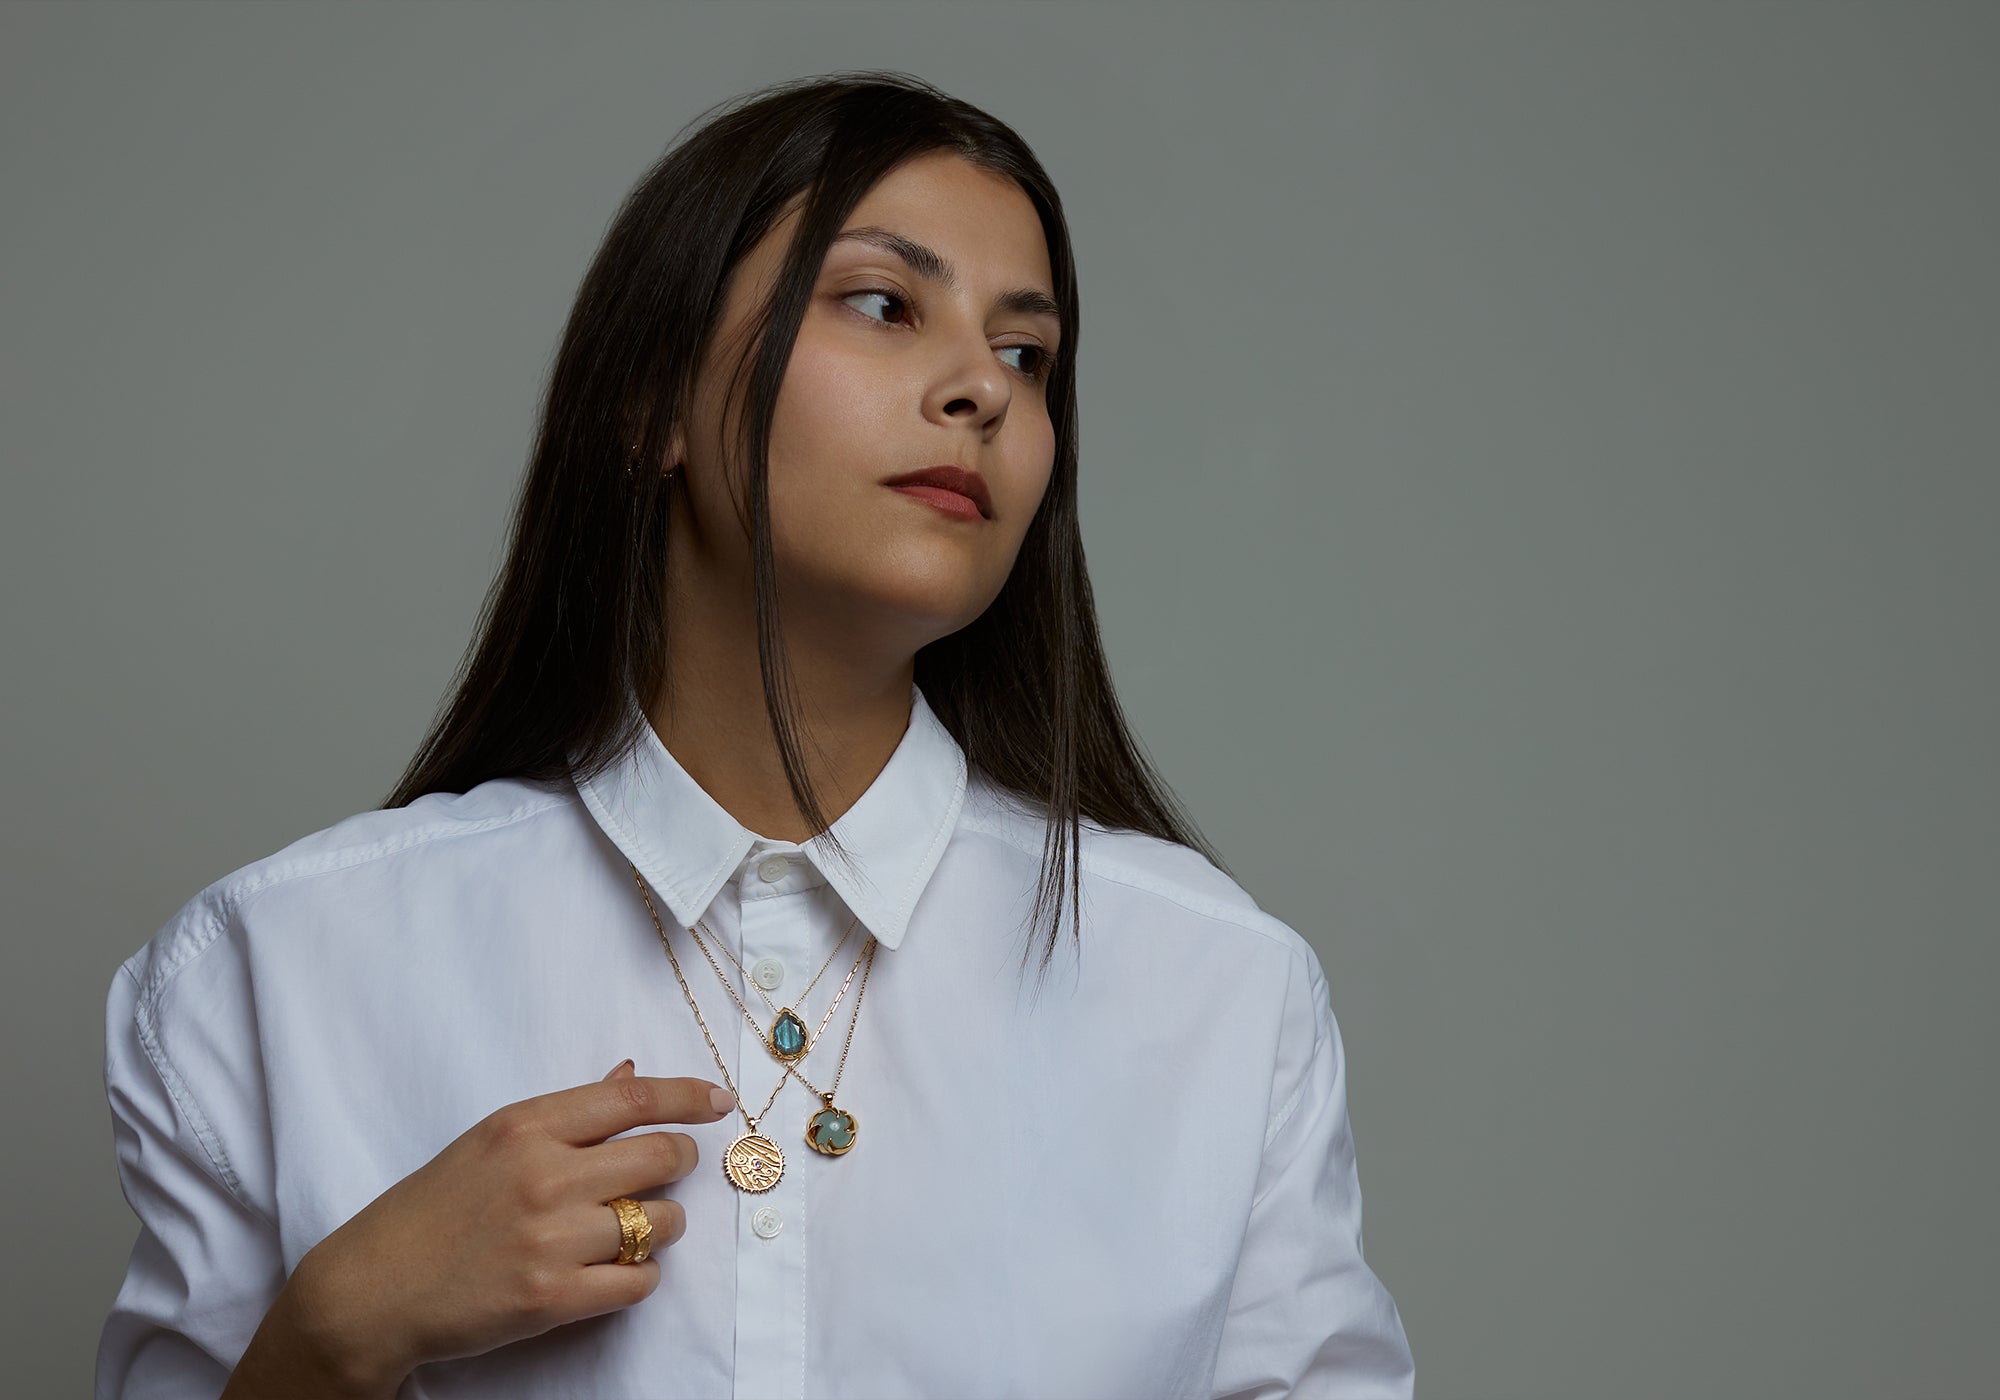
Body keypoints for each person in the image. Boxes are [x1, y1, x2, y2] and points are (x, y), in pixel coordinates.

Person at [96, 70, 1415, 1399]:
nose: (983, 389)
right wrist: (337, 1329)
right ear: (651, 401)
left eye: (1028, 354)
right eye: (886, 304)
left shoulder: (1224, 998)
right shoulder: (270, 977)